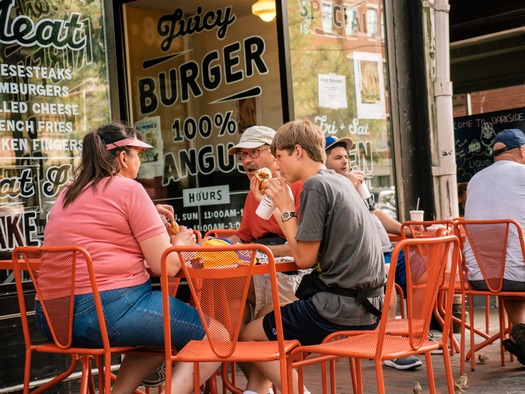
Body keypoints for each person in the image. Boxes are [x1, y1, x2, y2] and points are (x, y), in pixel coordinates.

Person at [38, 121, 221, 393]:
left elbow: (102, 230)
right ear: (123, 158)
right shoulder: (130, 190)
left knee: (158, 335)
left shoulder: (68, 192)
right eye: (138, 155)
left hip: (52, 318)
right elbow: (167, 267)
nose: (139, 162)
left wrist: (146, 217)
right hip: (107, 311)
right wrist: (180, 242)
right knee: (218, 336)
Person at [240, 120, 387, 393]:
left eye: (279, 156)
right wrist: (275, 206)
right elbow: (305, 248)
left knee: (249, 335)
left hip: (340, 307)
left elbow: (304, 259)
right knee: (266, 319)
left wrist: (284, 207)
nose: (277, 165)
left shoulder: (314, 187)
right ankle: (255, 391)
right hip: (369, 303)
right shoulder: (337, 180)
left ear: (297, 151)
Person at [324, 135, 422, 370]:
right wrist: (347, 184)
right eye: (337, 158)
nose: (345, 162)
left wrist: (406, 230)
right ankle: (387, 348)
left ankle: (419, 336)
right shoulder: (328, 189)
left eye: (346, 157)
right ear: (323, 162)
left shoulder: (354, 184)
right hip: (364, 258)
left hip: (387, 251)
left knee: (427, 268)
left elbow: (374, 212)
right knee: (387, 286)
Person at [227, 125, 308, 319]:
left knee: (233, 287)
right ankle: (232, 345)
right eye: (243, 155)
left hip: (293, 275)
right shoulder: (252, 194)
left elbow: (304, 248)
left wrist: (260, 251)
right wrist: (216, 246)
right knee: (225, 287)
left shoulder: (300, 187)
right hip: (261, 270)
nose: (247, 160)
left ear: (275, 154)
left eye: (254, 152)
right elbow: (242, 237)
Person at [463, 128, 525, 365]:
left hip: (480, 278)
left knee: (512, 263)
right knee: (516, 262)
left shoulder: (475, 180)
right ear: (522, 150)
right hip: (517, 275)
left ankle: (520, 330)